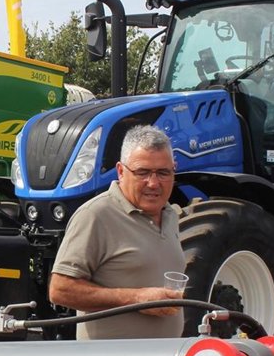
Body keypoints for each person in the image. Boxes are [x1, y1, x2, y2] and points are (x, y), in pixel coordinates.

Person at [49, 125, 186, 339]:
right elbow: (60, 290)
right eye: (142, 172)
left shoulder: (170, 215)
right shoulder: (96, 215)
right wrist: (137, 299)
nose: (153, 183)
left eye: (163, 172)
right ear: (121, 171)